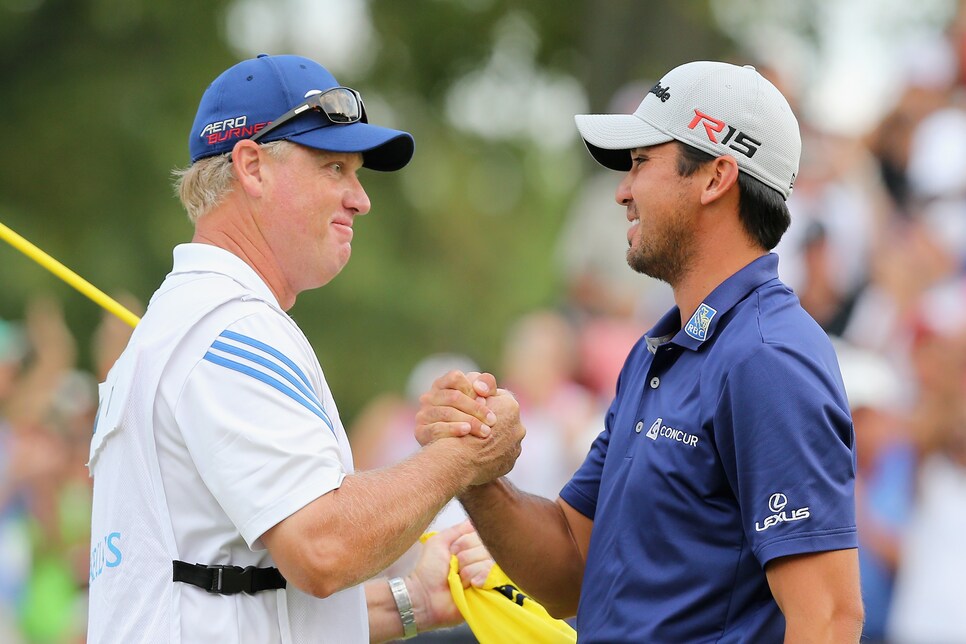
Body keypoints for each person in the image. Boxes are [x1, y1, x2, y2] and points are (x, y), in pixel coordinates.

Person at [418, 61, 864, 641]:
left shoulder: (766, 357)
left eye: (640, 162)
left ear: (714, 178)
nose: (622, 191)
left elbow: (829, 617)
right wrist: (474, 470)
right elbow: (573, 567)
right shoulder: (666, 349)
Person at [86, 54, 524, 643]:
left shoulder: (185, 321)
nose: (360, 199)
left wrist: (414, 598)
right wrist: (462, 456)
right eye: (334, 168)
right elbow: (322, 548)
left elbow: (235, 591)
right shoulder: (231, 328)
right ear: (252, 167)